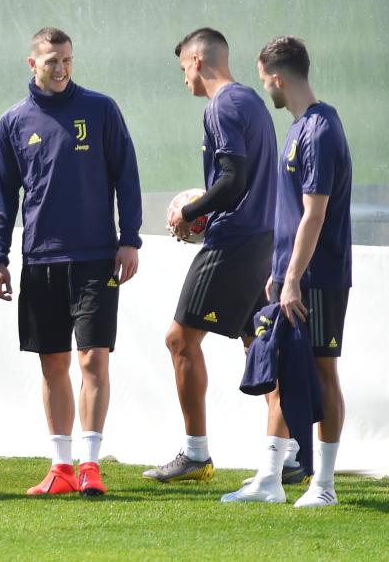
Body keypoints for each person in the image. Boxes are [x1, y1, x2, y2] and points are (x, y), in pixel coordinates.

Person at [0, 27, 142, 497]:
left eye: (68, 60)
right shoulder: (13, 123)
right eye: (52, 61)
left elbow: (127, 176)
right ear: (31, 64)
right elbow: (3, 198)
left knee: (93, 357)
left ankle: (91, 464)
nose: (61, 69)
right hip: (40, 261)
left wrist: (129, 239)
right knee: (52, 363)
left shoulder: (100, 110)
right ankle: (61, 468)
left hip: (96, 258)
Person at [221, 36, 352, 507]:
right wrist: (279, 273)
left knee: (322, 371)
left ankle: (325, 485)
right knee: (278, 368)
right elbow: (292, 215)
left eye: (264, 81)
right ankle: (271, 478)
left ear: (277, 77)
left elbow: (315, 214)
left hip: (319, 279)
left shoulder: (320, 131)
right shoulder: (299, 128)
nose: (266, 90)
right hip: (290, 277)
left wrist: (294, 278)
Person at [143, 28, 277, 483]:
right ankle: (292, 454)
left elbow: (233, 180)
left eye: (183, 68)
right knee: (260, 347)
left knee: (179, 341)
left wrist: (189, 212)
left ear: (197, 62)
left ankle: (196, 454)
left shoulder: (222, 104)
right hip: (261, 240)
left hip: (234, 241)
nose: (184, 78)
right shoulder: (252, 102)